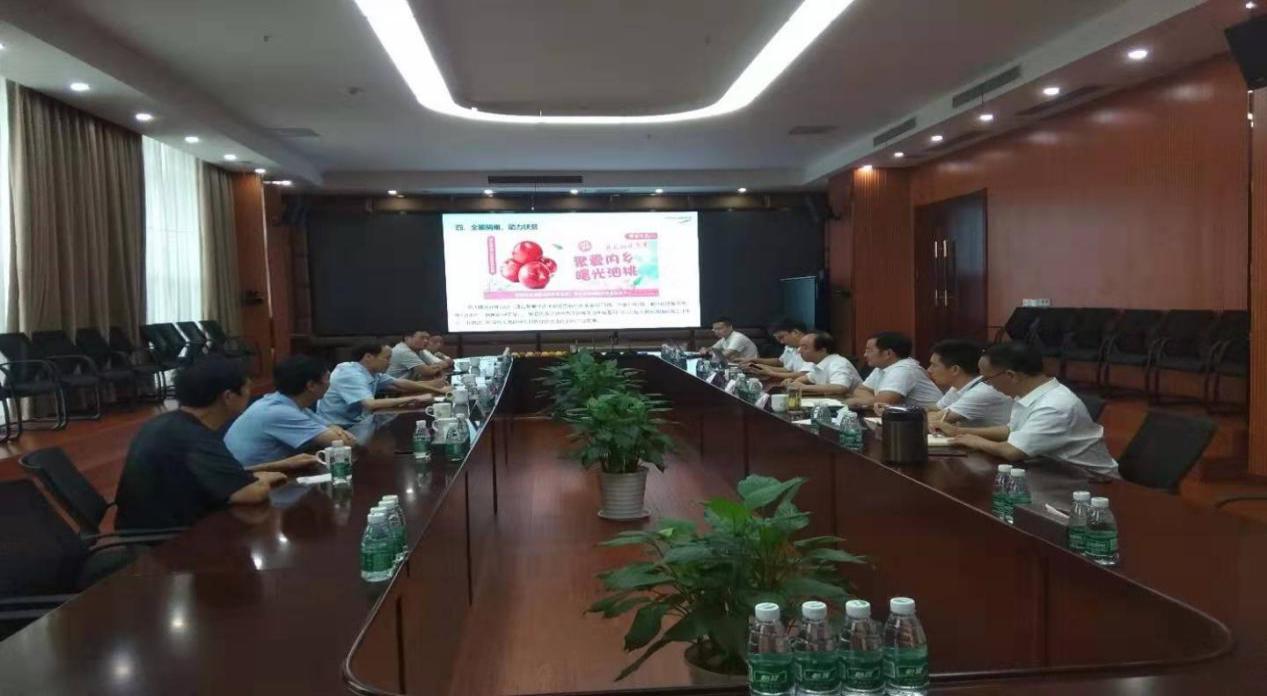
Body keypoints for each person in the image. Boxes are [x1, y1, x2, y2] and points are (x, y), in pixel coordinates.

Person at [115, 358, 289, 529]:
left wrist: (261, 474)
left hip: (153, 526)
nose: (251, 394)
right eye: (247, 388)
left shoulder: (170, 423)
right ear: (228, 397)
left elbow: (224, 476)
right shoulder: (193, 437)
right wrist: (263, 480)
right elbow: (251, 493)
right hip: (165, 539)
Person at [945, 341, 1119, 476]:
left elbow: (1013, 450)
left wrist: (976, 441)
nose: (987, 385)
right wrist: (960, 432)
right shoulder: (1028, 394)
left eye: (987, 379)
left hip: (1092, 482)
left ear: (1011, 375)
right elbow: (1012, 430)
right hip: (1053, 470)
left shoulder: (1054, 405)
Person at [224, 355, 360, 468]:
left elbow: (331, 427)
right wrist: (334, 434)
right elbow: (343, 443)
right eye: (327, 379)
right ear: (311, 385)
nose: (330, 383)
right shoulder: (278, 411)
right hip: (247, 481)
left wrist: (333, 431)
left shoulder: (288, 403)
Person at [317, 342, 443, 427]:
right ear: (368, 357)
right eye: (386, 358)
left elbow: (399, 384)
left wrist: (438, 390)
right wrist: (414, 398)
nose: (389, 363)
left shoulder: (372, 372)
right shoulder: (350, 374)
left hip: (357, 421)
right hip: (338, 427)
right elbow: (370, 404)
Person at [924, 339, 1014, 428]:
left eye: (934, 365)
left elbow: (933, 420)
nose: (929, 370)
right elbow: (933, 410)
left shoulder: (981, 392)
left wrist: (933, 416)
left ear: (955, 369)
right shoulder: (957, 387)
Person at [846, 332, 943, 409]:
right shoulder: (882, 367)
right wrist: (873, 401)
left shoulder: (904, 369)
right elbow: (860, 390)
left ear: (888, 353)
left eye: (869, 351)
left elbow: (884, 402)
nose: (865, 355)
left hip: (932, 420)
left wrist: (857, 401)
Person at [782, 330, 861, 396]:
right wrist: (793, 382)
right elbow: (808, 377)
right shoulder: (818, 363)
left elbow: (840, 387)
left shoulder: (838, 363)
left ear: (822, 350)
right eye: (800, 347)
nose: (799, 351)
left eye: (805, 347)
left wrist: (803, 387)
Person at [740, 319, 808, 379]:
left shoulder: (810, 348)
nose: (781, 342)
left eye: (781, 337)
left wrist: (770, 373)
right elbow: (785, 367)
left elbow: (803, 375)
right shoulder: (793, 347)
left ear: (795, 332)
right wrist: (757, 365)